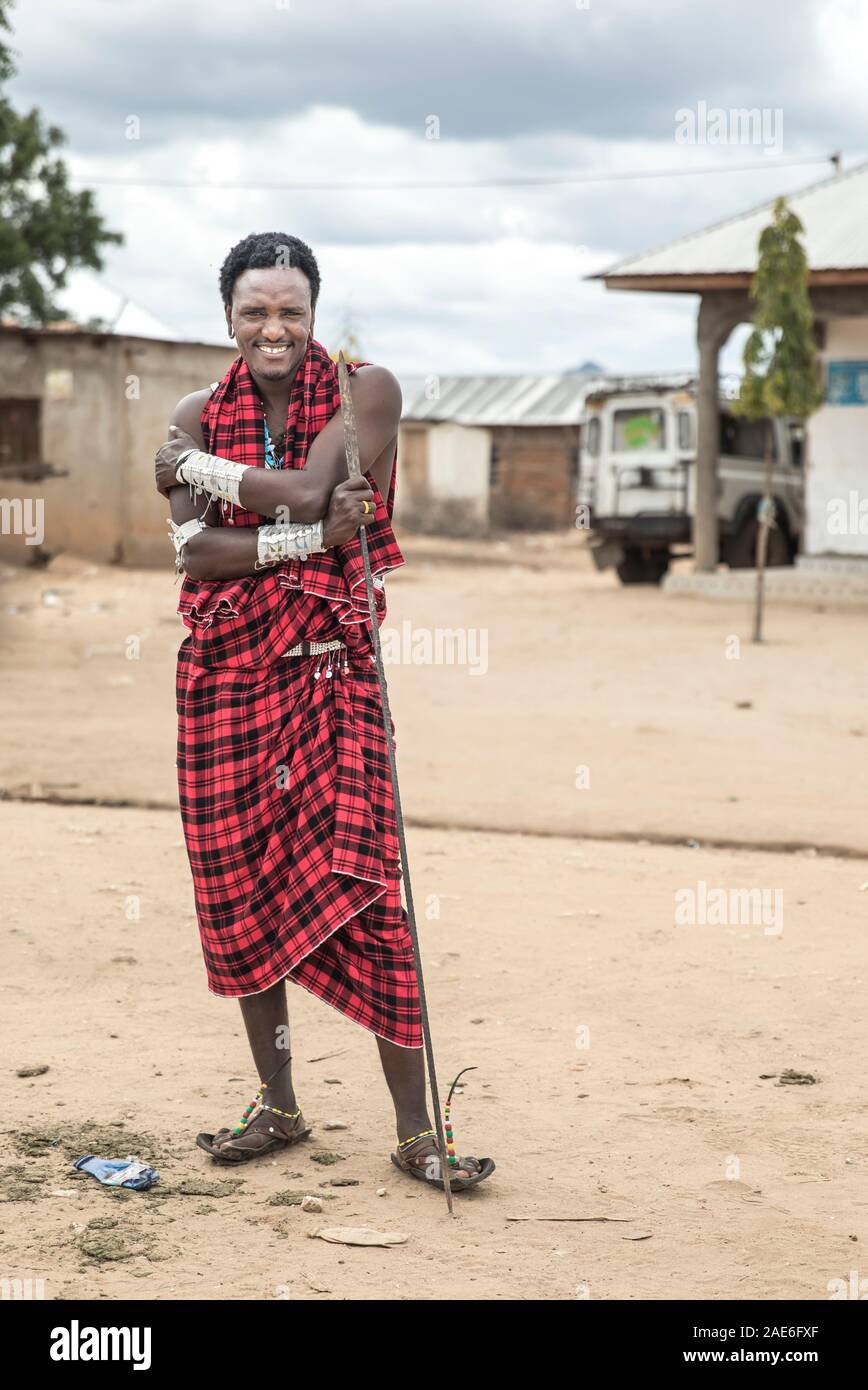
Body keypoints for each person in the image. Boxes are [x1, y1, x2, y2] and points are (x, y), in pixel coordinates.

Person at [154, 232, 494, 1192]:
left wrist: (203, 474)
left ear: (315, 314)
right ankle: (279, 1102)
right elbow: (196, 557)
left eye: (290, 311)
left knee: (372, 888)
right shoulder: (195, 408)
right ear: (228, 316)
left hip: (333, 679)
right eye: (255, 310)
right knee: (235, 889)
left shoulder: (363, 393)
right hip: (225, 682)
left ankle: (418, 1130)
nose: (274, 327)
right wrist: (299, 534)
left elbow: (309, 486)